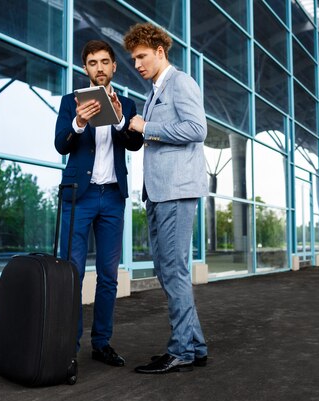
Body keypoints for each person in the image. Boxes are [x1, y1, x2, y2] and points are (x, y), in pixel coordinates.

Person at [123, 22, 209, 374]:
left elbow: (196, 129)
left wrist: (147, 128)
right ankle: (195, 346)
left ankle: (180, 352)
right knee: (167, 269)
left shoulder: (180, 83)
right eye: (134, 59)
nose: (138, 64)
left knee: (173, 271)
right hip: (159, 192)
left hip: (175, 191)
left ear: (160, 52)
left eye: (143, 56)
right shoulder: (155, 90)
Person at [54, 40, 143, 367]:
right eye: (93, 63)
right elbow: (60, 145)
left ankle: (101, 343)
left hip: (112, 198)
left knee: (108, 276)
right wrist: (78, 122)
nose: (100, 68)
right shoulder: (70, 103)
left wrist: (120, 119)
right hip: (80, 197)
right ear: (85, 68)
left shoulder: (128, 104)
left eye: (105, 61)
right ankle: (68, 347)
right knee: (72, 275)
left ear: (114, 66)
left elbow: (135, 143)